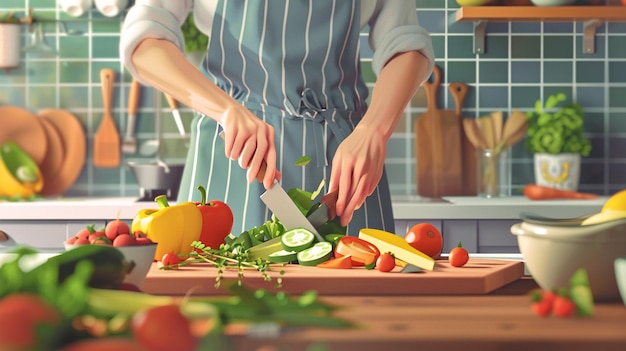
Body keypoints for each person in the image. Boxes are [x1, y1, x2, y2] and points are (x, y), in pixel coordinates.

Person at [120, 1, 434, 236]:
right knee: (217, 308)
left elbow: (405, 43)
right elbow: (145, 38)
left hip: (346, 170)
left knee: (359, 314)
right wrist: (225, 109)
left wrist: (374, 129)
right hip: (234, 158)